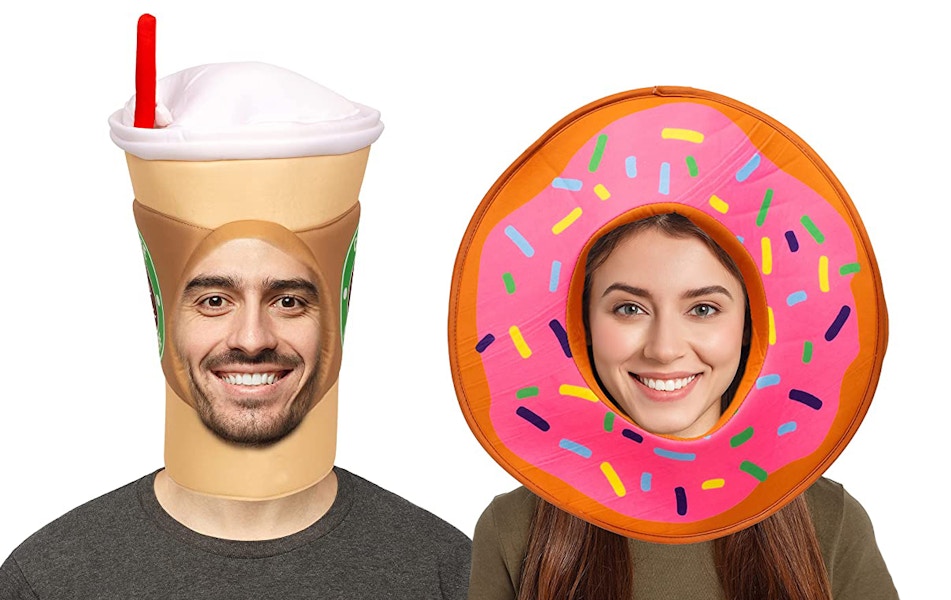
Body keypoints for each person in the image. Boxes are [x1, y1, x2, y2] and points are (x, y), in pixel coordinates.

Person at [0, 39, 470, 599]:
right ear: (160, 307)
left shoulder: (447, 573)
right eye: (214, 300)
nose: (252, 340)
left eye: (289, 300)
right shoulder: (49, 581)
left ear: (340, 308)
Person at [466, 213, 897, 600]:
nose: (664, 349)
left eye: (704, 309)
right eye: (629, 308)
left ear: (750, 324)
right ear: (583, 325)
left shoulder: (829, 522)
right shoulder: (515, 528)